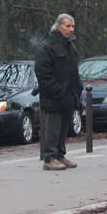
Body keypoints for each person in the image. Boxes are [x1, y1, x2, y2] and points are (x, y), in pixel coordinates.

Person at [35, 13, 83, 171]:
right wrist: (56, 90)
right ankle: (49, 158)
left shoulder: (69, 44)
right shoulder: (47, 45)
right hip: (54, 96)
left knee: (64, 128)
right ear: (58, 26)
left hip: (68, 94)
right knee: (53, 128)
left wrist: (77, 87)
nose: (71, 29)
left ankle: (60, 155)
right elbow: (43, 73)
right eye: (67, 26)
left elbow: (73, 69)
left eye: (73, 26)